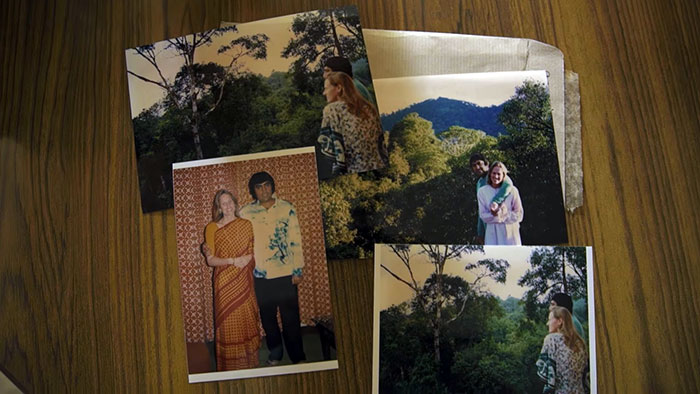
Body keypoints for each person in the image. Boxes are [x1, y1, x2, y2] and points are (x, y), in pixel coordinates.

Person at [239, 172, 306, 365]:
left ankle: (298, 356)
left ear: (272, 186)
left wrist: (298, 270)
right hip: (260, 275)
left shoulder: (287, 208)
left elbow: (295, 239)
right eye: (258, 187)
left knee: (291, 319)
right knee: (268, 319)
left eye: (266, 185)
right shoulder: (245, 213)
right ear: (253, 191)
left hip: (286, 273)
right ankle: (275, 353)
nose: (263, 190)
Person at [201, 189, 260, 371]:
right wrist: (233, 261)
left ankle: (249, 361)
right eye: (223, 203)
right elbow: (210, 260)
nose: (227, 206)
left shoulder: (246, 224)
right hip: (224, 282)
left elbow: (251, 252)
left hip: (244, 279)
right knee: (228, 321)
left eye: (230, 202)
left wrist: (245, 261)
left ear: (235, 203)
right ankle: (230, 365)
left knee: (246, 317)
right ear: (219, 207)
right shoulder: (212, 228)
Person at [322, 71, 388, 174]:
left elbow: (332, 148)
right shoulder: (369, 108)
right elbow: (381, 144)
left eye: (326, 88)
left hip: (354, 170)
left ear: (338, 88)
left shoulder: (331, 109)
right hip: (378, 166)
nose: (324, 93)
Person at [537, 306, 588, 393]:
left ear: (560, 321)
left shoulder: (551, 340)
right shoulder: (580, 343)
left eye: (550, 319)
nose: (547, 323)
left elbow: (543, 373)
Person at [469, 153, 513, 244]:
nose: (477, 167)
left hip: (503, 225)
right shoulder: (479, 183)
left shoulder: (496, 175)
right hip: (488, 229)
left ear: (486, 164)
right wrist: (480, 233)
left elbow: (508, 184)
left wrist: (495, 202)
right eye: (474, 165)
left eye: (479, 163)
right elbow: (481, 209)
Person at [477, 161, 523, 245]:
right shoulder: (482, 191)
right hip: (492, 234)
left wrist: (502, 214)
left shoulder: (513, 190)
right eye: (494, 173)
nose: (496, 176)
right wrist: (495, 215)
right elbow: (483, 215)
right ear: (490, 174)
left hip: (510, 233)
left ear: (504, 175)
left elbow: (519, 214)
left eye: (499, 174)